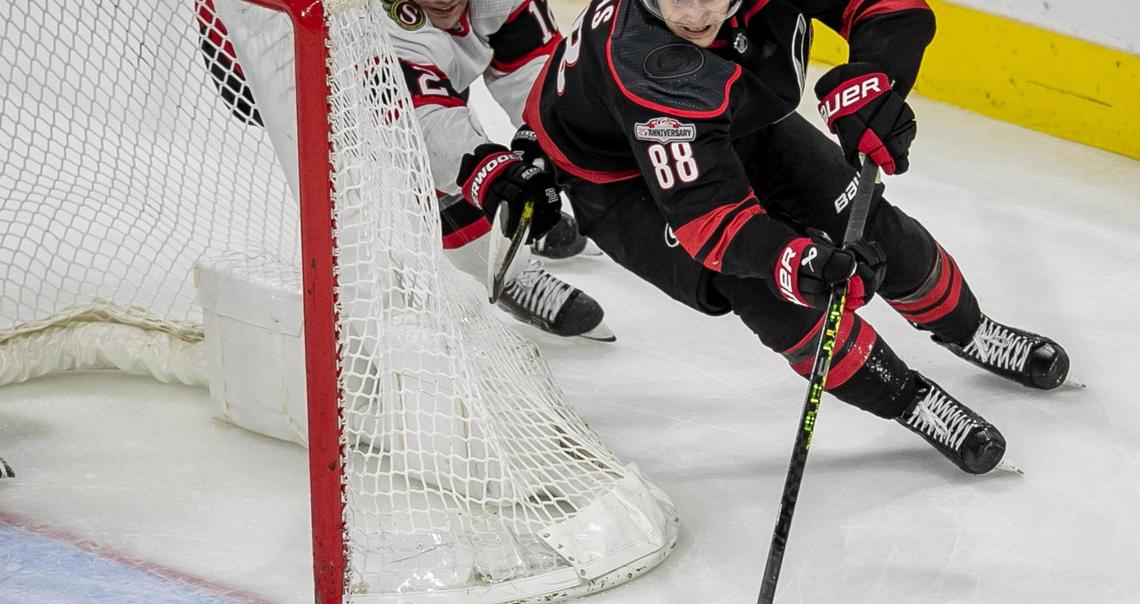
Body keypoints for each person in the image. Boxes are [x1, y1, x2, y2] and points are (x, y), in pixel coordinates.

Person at [522, 0, 1071, 473]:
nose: (692, 16)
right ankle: (911, 400)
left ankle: (971, 332)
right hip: (622, 181)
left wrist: (875, 80)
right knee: (764, 290)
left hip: (733, 120)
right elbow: (711, 221)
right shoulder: (649, 61)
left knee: (868, 219)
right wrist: (793, 260)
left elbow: (890, 8)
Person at [195, 0, 614, 341]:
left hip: (395, 41)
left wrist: (545, 144)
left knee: (443, 79)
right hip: (263, 44)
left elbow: (534, 66)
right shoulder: (368, 22)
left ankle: (513, 220)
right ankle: (512, 270)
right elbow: (424, 129)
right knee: (409, 152)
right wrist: (496, 180)